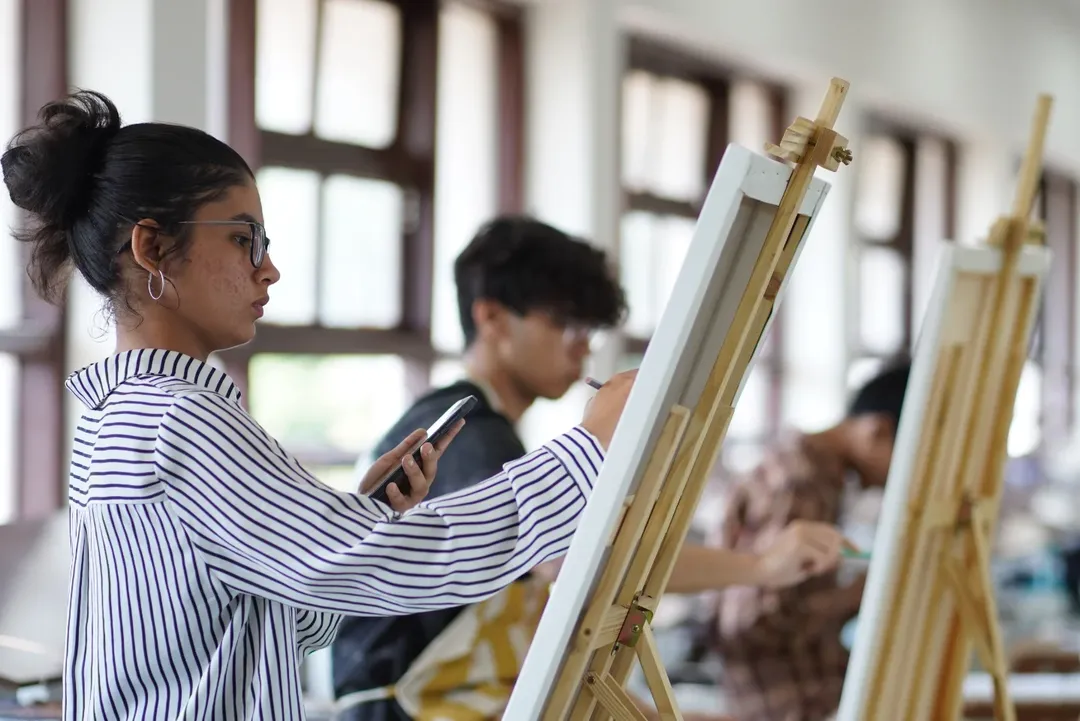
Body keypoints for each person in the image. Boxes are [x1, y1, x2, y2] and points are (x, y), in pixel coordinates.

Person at [1, 90, 637, 721]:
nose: (269, 269)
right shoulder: (181, 423)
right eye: (244, 239)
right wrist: (587, 454)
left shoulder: (118, 417)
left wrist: (364, 518)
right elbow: (410, 565)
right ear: (152, 249)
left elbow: (289, 621)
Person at [331, 216, 854, 721]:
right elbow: (581, 558)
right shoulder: (469, 435)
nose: (581, 344)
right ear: (491, 318)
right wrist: (759, 566)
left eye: (588, 327)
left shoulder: (485, 427)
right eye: (563, 323)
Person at [706, 362, 911, 721]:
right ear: (877, 431)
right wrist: (860, 594)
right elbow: (754, 620)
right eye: (908, 456)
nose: (905, 476)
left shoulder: (811, 471)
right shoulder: (804, 479)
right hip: (787, 702)